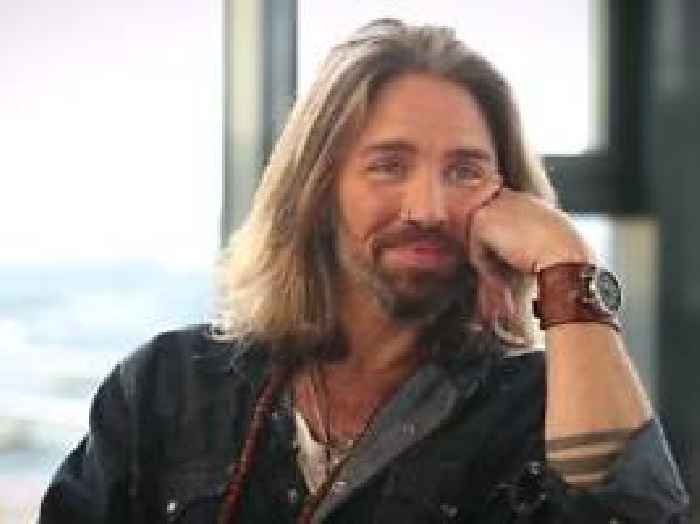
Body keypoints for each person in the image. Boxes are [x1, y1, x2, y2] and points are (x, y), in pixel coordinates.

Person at [39, 19, 688, 523]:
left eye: (464, 171)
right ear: (318, 190)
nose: (428, 208)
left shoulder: (543, 408)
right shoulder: (168, 387)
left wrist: (565, 263)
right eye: (388, 165)